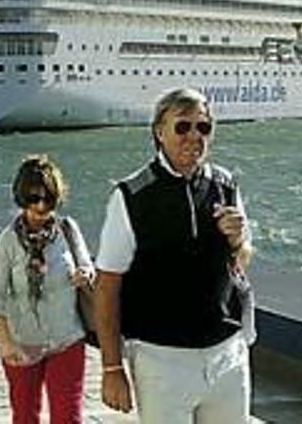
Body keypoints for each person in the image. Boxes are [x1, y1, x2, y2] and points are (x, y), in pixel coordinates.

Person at [95, 88, 255, 423]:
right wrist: (112, 367)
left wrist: (238, 240)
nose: (193, 137)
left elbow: (240, 263)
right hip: (160, 359)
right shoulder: (132, 195)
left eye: (203, 127)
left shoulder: (225, 186)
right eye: (182, 127)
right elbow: (107, 284)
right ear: (159, 132)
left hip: (226, 354)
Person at [0, 155, 94, 424]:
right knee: (25, 416)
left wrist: (85, 275)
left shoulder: (68, 230)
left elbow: (87, 265)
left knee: (68, 417)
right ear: (21, 199)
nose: (41, 206)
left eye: (48, 199)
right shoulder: (7, 241)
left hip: (67, 338)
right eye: (33, 199)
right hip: (22, 343)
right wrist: (5, 341)